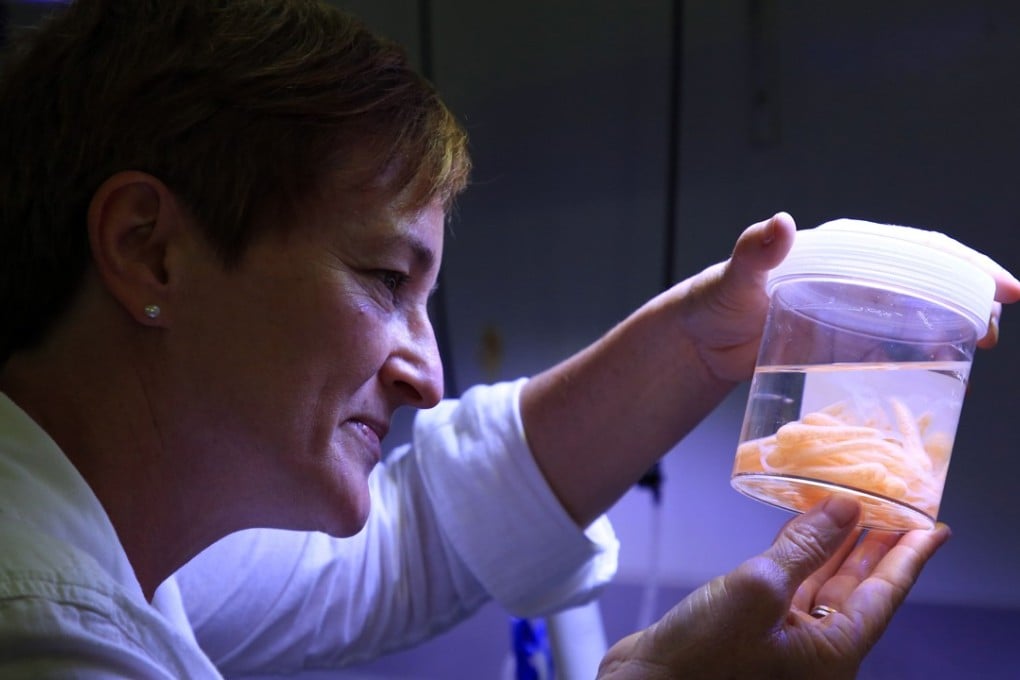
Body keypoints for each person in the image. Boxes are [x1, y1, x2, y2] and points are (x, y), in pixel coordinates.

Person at [0, 1, 1017, 678]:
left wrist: (709, 340)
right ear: (150, 249)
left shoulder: (124, 537)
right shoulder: (42, 626)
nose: (430, 377)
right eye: (386, 278)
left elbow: (413, 542)